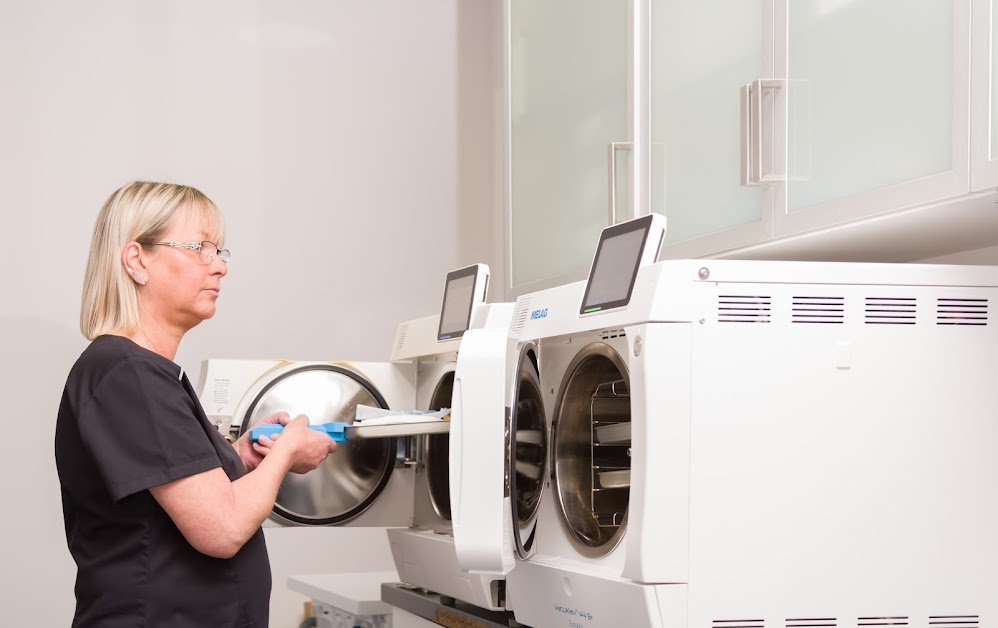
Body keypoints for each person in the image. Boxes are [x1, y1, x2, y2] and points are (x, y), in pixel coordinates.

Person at [55, 181, 336, 627]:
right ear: (137, 260)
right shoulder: (129, 373)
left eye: (220, 252)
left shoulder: (140, 372)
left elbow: (179, 492)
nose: (219, 267)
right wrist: (286, 451)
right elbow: (222, 529)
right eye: (200, 248)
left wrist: (239, 458)